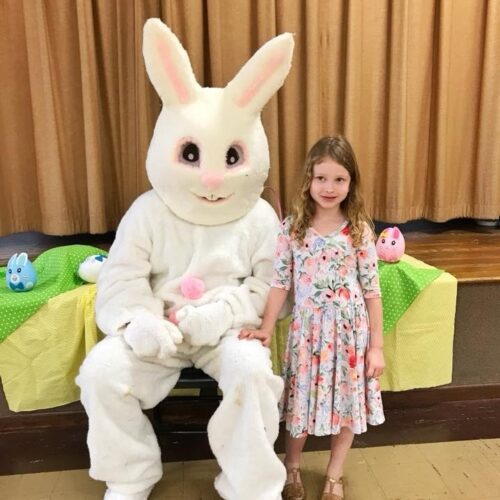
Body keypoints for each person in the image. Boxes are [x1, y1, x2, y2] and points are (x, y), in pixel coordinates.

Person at [239, 135, 385, 500]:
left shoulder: (360, 231)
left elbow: (372, 292)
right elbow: (279, 283)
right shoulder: (292, 229)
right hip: (308, 337)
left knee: (349, 409)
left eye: (339, 179)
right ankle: (292, 467)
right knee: (299, 406)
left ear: (351, 183)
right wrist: (265, 327)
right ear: (308, 179)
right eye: (321, 178)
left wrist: (376, 348)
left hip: (351, 339)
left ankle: (335, 474)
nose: (329, 187)